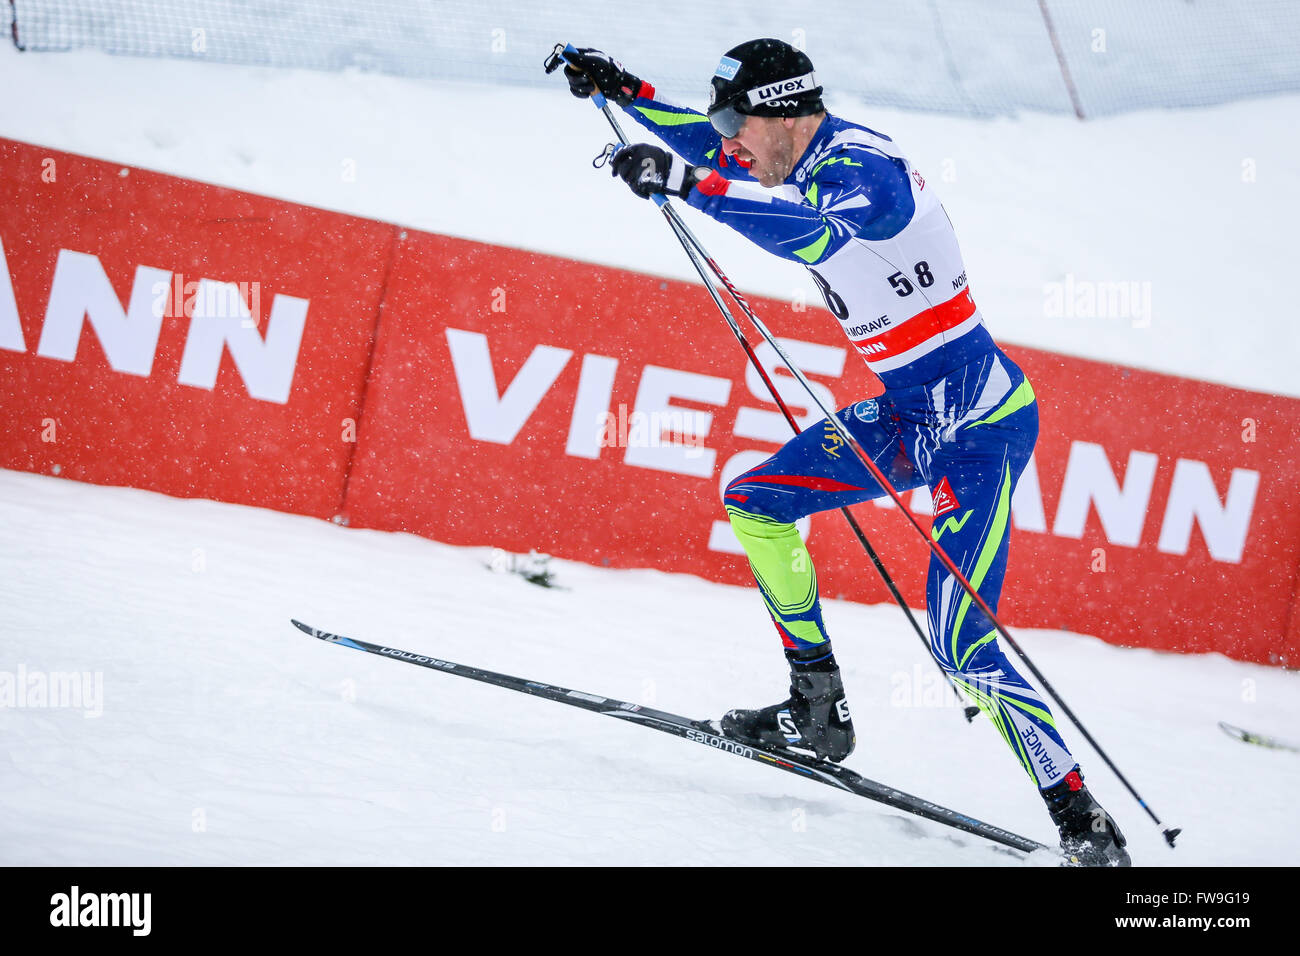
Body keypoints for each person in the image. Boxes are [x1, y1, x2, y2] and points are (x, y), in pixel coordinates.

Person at [559, 39, 1129, 866]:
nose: (727, 140)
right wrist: (629, 92)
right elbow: (711, 149)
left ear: (783, 112)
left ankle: (1080, 818)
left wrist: (689, 184)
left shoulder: (869, 172)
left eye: (736, 121)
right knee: (755, 500)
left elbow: (812, 239)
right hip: (906, 416)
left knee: (960, 646)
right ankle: (816, 705)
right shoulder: (788, 152)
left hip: (979, 425)